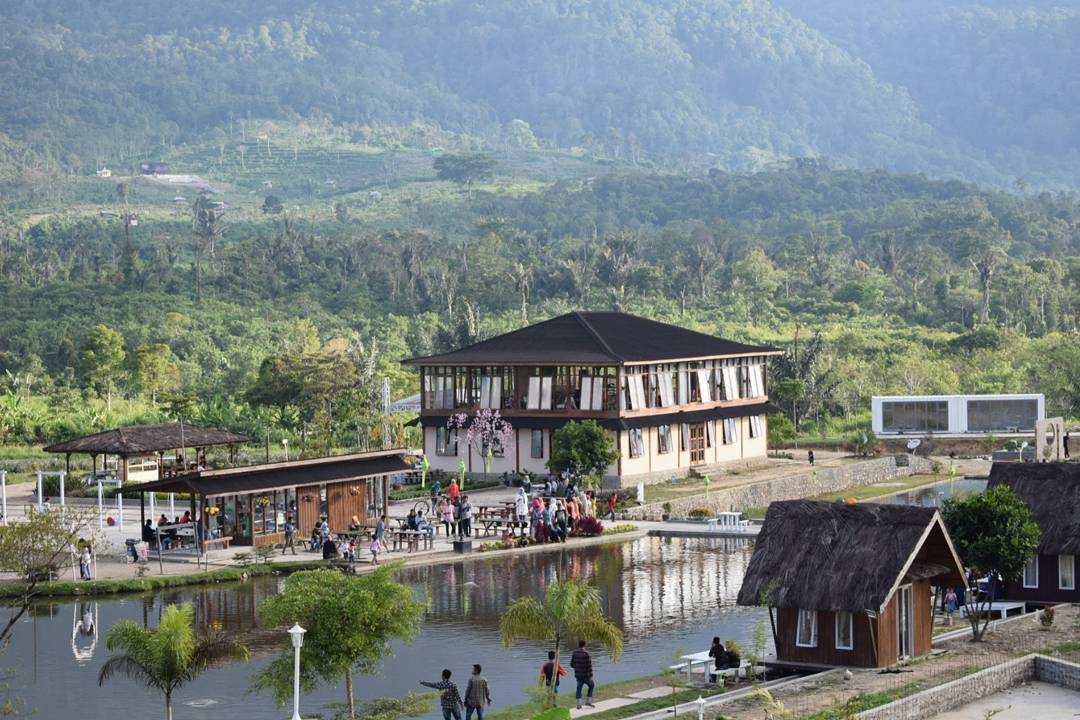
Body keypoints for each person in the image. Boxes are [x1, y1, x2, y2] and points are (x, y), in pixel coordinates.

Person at [570, 640, 595, 709]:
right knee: (592, 685)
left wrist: (577, 666)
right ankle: (588, 702)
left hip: (578, 675)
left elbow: (571, 664)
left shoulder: (574, 653)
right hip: (586, 675)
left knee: (579, 688)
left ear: (578, 645)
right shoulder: (587, 654)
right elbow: (589, 666)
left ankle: (579, 704)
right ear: (584, 645)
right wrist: (591, 675)